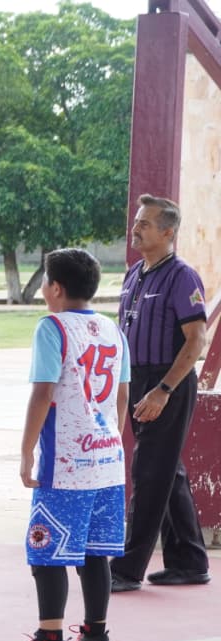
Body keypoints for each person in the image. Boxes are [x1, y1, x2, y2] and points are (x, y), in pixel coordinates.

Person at [0, 249, 130, 641]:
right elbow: (122, 395)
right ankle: (95, 636)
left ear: (54, 287)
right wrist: (109, 436)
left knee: (46, 549)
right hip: (107, 456)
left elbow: (43, 392)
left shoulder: (51, 327)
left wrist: (26, 450)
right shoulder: (112, 328)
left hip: (67, 460)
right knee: (93, 553)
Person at [110, 194, 211, 592]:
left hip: (167, 380)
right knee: (168, 469)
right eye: (137, 222)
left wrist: (163, 390)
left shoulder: (182, 276)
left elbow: (196, 341)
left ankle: (126, 568)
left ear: (168, 232)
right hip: (137, 377)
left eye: (146, 224)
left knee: (149, 471)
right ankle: (188, 560)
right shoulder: (135, 273)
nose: (136, 229)